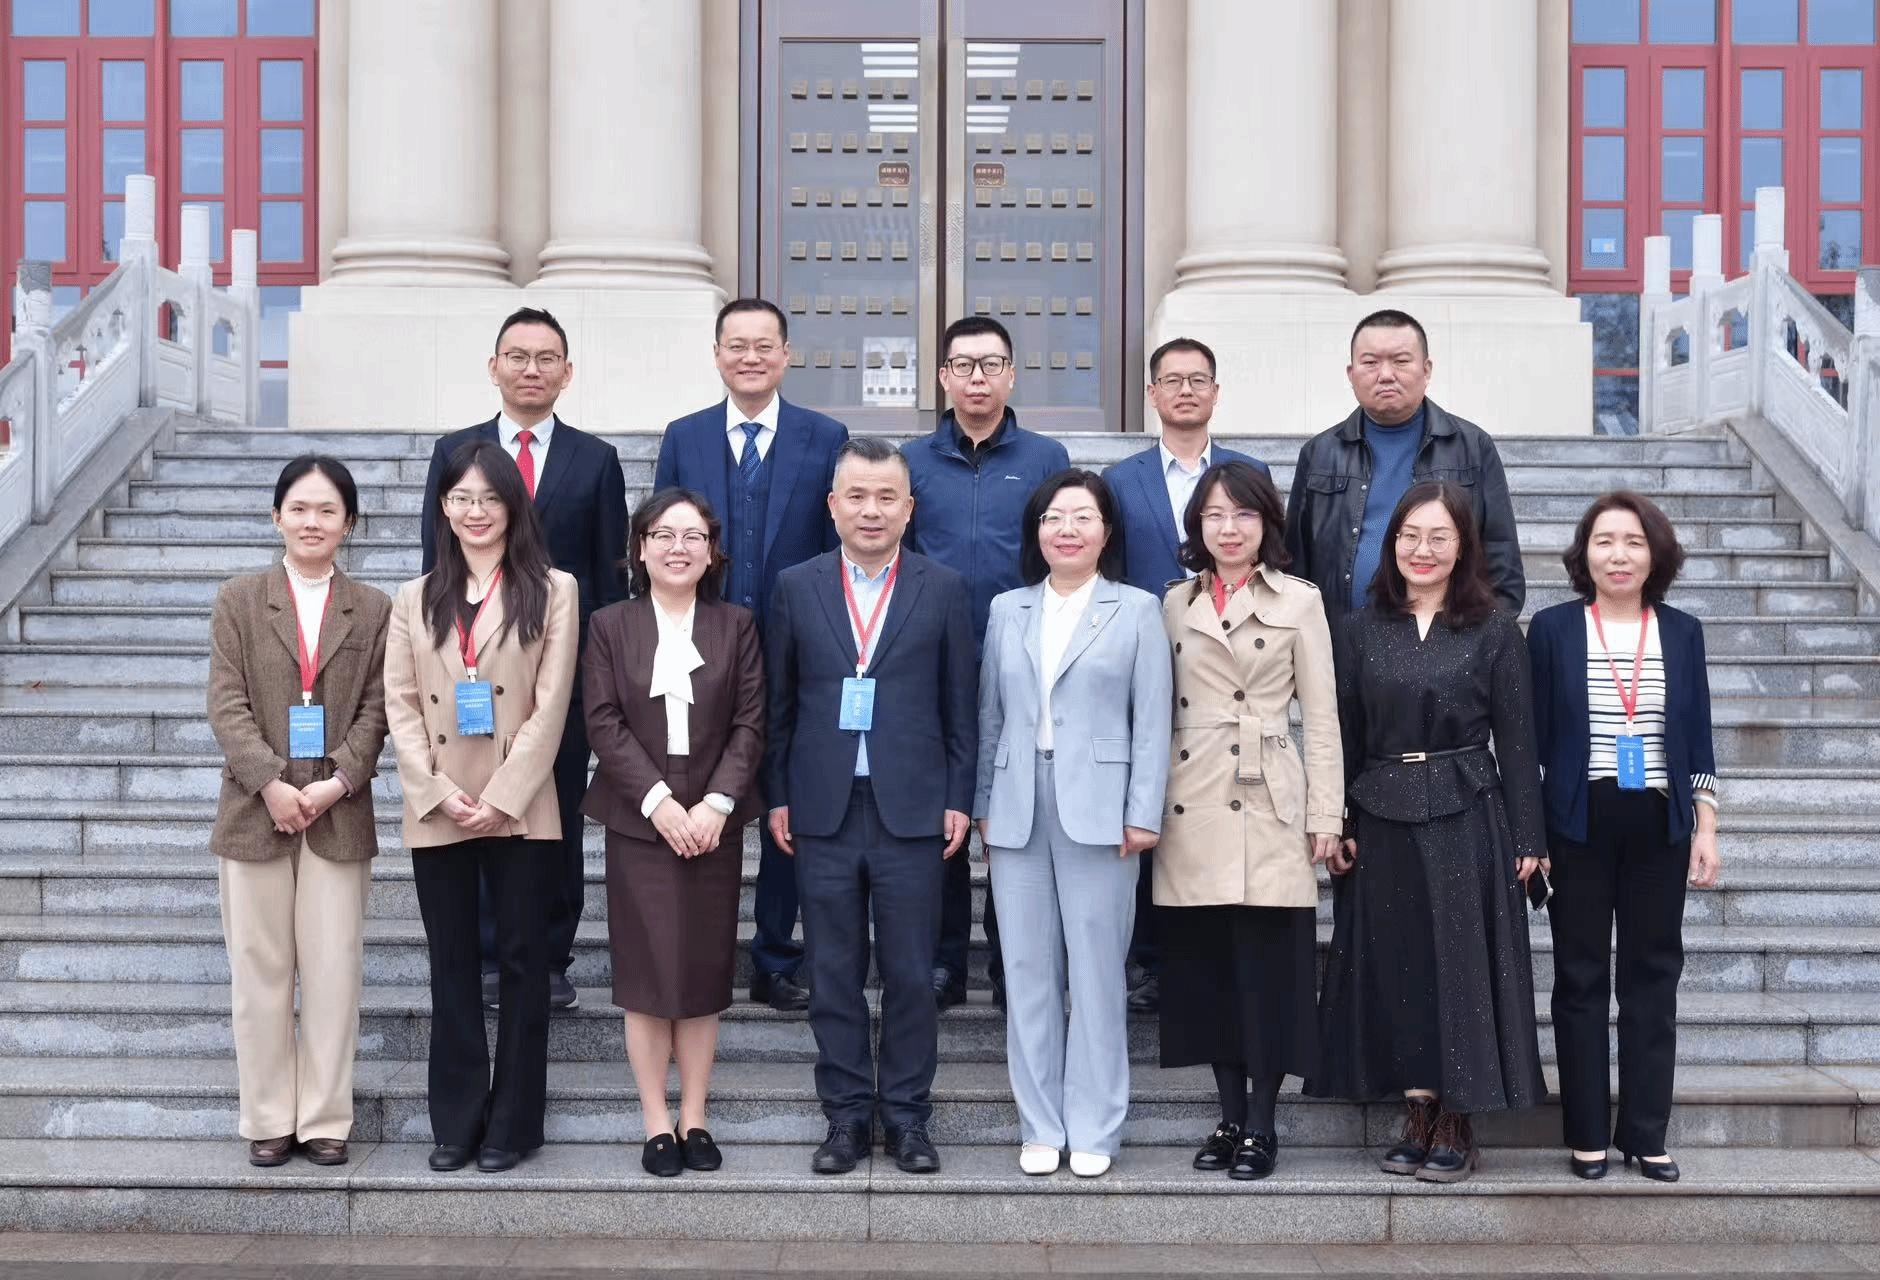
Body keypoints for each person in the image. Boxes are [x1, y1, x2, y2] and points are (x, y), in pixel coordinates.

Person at [1306, 480, 1546, 1185]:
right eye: (1410, 535)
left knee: (1460, 966)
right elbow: (1345, 734)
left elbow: (1518, 742)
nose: (1423, 549)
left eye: (1440, 537)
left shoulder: (1494, 629)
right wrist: (1341, 819)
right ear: (1392, 544)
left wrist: (1530, 840)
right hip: (1381, 813)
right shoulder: (1359, 628)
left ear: (1463, 547)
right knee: (1398, 965)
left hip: (1468, 811)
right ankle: (1416, 1109)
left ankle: (1457, 1117)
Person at [763, 437, 976, 1176]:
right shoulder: (796, 586)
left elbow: (960, 705)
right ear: (833, 506)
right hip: (821, 808)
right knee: (833, 971)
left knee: (913, 974)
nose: (871, 510)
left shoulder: (943, 587)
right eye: (857, 495)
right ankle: (847, 1117)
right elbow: (780, 704)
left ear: (909, 508)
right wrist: (778, 795)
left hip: (913, 811)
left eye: (887, 497)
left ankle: (909, 1118)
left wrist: (959, 796)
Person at [421, 306, 627, 1013]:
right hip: (471, 678)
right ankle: (485, 953)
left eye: (546, 358)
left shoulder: (595, 460)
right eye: (517, 356)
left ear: (567, 373)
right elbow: (436, 565)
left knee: (553, 816)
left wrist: (597, 685)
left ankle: (548, 955)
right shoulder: (455, 451)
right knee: (476, 809)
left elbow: (608, 583)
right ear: (494, 367)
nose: (531, 369)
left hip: (558, 686)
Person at [387, 440, 579, 1173]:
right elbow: (401, 705)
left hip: (521, 806)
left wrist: (501, 797)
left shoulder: (553, 589)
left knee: (525, 965)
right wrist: (438, 791)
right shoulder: (414, 596)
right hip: (438, 805)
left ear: (512, 505)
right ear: (443, 506)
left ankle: (513, 1124)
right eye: (462, 498)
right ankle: (457, 1119)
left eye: (490, 498)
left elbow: (551, 706)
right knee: (453, 963)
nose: (476, 511)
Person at [974, 469, 1170, 1178]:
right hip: (1017, 805)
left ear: (1106, 531)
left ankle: (1095, 1125)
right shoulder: (1007, 609)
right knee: (1027, 972)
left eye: (1083, 517)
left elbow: (1153, 719)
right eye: (1054, 517)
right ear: (1037, 531)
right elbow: (990, 715)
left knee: (1095, 974)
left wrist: (1143, 811)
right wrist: (983, 805)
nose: (1067, 529)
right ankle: (1040, 1124)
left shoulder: (1137, 609)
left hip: (1103, 809)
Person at [656, 298, 848, 1015]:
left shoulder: (825, 436)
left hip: (797, 653)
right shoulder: (685, 437)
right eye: (736, 345)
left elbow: (835, 546)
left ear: (787, 355)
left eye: (764, 345)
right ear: (717, 355)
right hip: (702, 651)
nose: (750, 357)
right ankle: (695, 954)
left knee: (785, 805)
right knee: (699, 793)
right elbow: (661, 539)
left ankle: (775, 956)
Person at [1527, 491, 1720, 1183]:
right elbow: (1531, 742)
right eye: (1604, 541)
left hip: (1659, 823)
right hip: (1576, 824)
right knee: (1579, 978)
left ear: (1654, 555)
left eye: (1634, 542)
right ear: (1584, 554)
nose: (1619, 554)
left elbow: (1697, 735)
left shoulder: (1682, 632)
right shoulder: (1552, 629)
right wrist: (1531, 835)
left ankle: (1645, 1132)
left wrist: (1706, 826)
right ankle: (1586, 1134)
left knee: (1652, 978)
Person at [1155, 460, 1340, 1181]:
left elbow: (1320, 718)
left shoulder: (1300, 600)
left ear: (1267, 523)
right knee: (1210, 972)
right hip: (1192, 795)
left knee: (1271, 971)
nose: (1229, 529)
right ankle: (1228, 1117)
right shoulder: (1173, 603)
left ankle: (1263, 1124)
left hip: (1269, 798)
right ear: (1196, 526)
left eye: (1244, 514)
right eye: (1215, 515)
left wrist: (1326, 814)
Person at [207, 455, 391, 1168]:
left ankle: (324, 1118)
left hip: (338, 813)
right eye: (300, 508)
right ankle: (267, 1117)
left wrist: (337, 781)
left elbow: (378, 709)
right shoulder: (239, 600)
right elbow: (226, 703)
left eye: (328, 510)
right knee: (259, 970)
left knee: (334, 970)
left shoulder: (372, 608)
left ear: (349, 523)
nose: (313, 522)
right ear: (276, 516)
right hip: (255, 812)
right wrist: (272, 784)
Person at [581, 489, 766, 1178]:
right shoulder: (610, 625)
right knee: (647, 971)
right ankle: (655, 1121)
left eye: (693, 536)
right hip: (639, 815)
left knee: (703, 969)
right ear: (640, 548)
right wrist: (658, 802)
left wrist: (717, 803)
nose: (678, 547)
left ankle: (695, 1115)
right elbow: (603, 721)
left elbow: (751, 722)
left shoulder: (736, 625)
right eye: (663, 534)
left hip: (714, 816)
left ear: (712, 552)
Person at [904, 315, 1069, 1012]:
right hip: (931, 663)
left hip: (1023, 662)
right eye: (964, 365)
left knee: (1018, 815)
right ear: (943, 376)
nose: (978, 377)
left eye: (991, 364)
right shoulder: (912, 461)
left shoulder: (1045, 458)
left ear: (1011, 374)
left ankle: (1012, 961)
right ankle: (944, 962)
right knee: (939, 815)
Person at [1101, 336, 1269, 1015]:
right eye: (1172, 380)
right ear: (1152, 394)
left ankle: (1215, 953)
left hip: (1229, 668)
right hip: (1147, 662)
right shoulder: (1120, 480)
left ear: (1216, 392)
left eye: (1199, 379)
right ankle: (1149, 960)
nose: (1186, 391)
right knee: (1149, 805)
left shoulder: (1248, 473)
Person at [1284, 309, 1524, 635]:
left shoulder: (1471, 447)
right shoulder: (1320, 453)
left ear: (1426, 370)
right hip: (1338, 644)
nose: (1386, 374)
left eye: (1400, 361)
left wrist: (1475, 646)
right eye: (1370, 362)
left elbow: (1502, 561)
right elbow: (1294, 567)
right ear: (1351, 374)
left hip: (1446, 647)